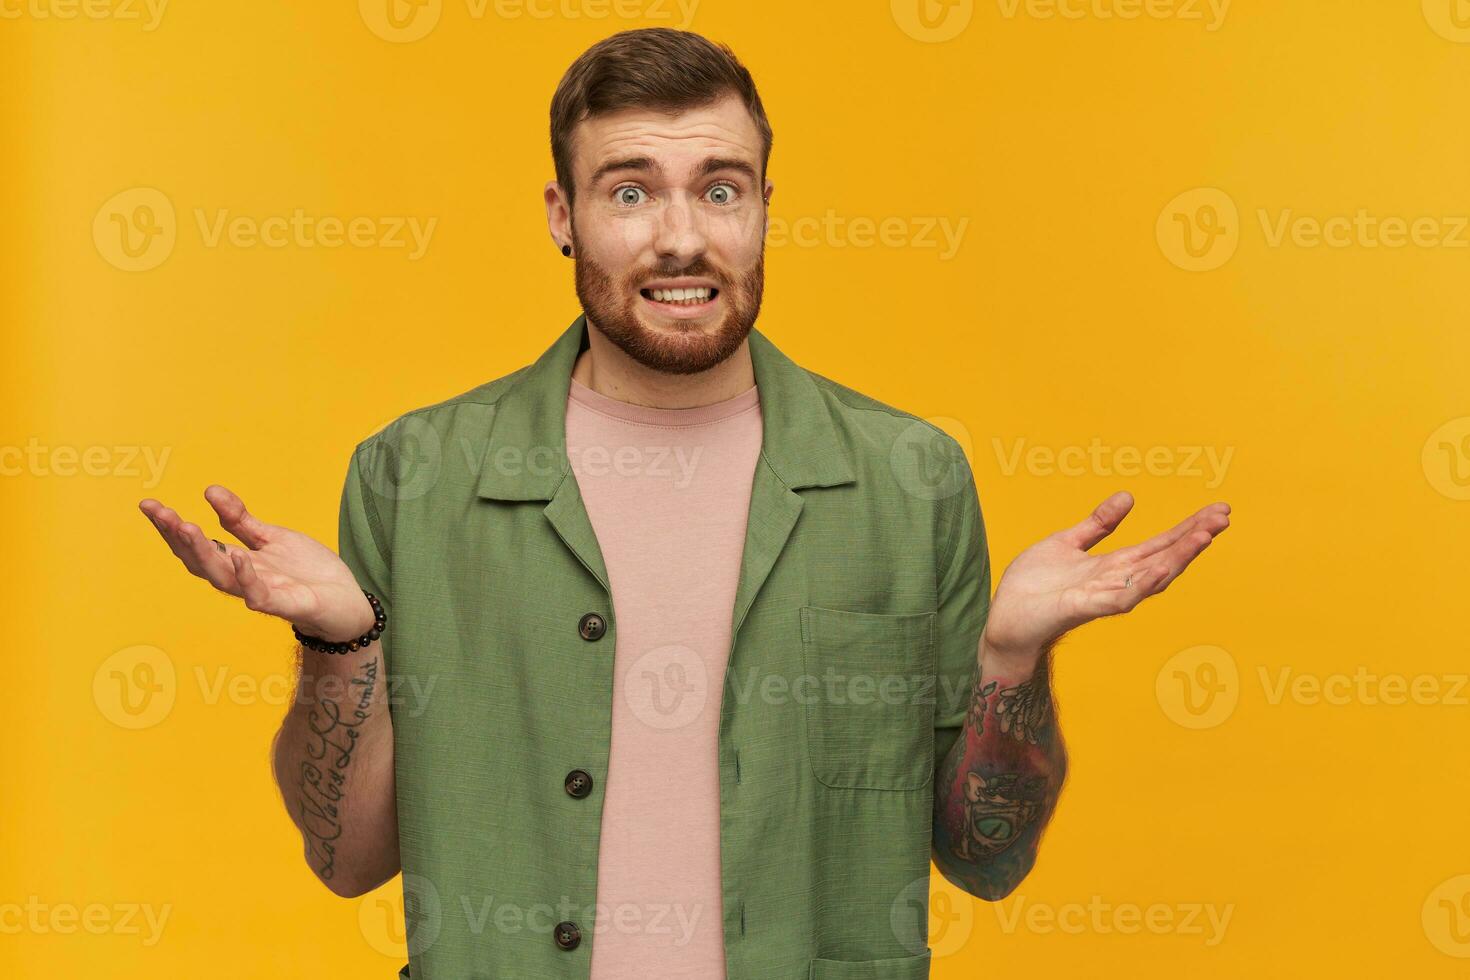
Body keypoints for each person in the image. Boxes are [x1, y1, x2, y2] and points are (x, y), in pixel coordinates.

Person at [138, 27, 1230, 980]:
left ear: (763, 208)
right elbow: (346, 858)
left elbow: (986, 859)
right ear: (563, 217)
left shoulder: (911, 479)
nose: (681, 237)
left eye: (720, 187)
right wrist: (341, 641)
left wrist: (1011, 663)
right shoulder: (417, 474)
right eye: (629, 190)